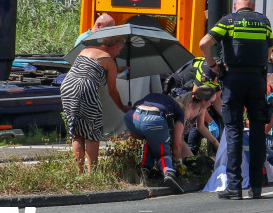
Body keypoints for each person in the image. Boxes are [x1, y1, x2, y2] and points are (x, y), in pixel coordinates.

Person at [199, 0, 273, 199]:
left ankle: (234, 186)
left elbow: (204, 43)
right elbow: (269, 49)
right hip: (257, 80)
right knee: (257, 132)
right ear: (253, 6)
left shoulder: (228, 21)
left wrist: (213, 66)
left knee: (234, 130)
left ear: (236, 6)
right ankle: (256, 186)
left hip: (234, 80)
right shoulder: (264, 22)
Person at [60, 33, 128, 172]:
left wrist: (117, 69)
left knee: (77, 132)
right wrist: (122, 107)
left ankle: (79, 171)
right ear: (114, 46)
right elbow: (112, 91)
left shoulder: (86, 49)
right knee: (93, 133)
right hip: (85, 88)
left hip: (67, 86)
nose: (119, 53)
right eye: (119, 50)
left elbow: (91, 66)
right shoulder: (109, 60)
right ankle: (92, 173)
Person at [124, 91, 191, 194]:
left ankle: (145, 168)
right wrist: (178, 162)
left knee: (152, 139)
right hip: (153, 120)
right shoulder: (179, 112)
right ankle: (168, 173)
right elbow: (177, 143)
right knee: (163, 152)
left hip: (131, 117)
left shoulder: (158, 97)